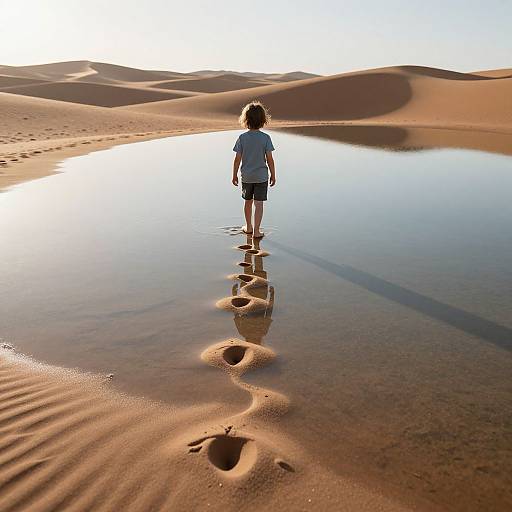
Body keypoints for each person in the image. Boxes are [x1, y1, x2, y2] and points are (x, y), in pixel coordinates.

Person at [232, 101, 276, 239]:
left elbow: (237, 159)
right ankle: (257, 231)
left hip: (247, 176)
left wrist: (234, 175)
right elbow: (270, 159)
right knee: (259, 204)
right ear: (263, 120)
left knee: (247, 202)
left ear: (246, 119)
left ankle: (248, 227)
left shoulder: (242, 138)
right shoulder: (266, 138)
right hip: (261, 176)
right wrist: (273, 175)